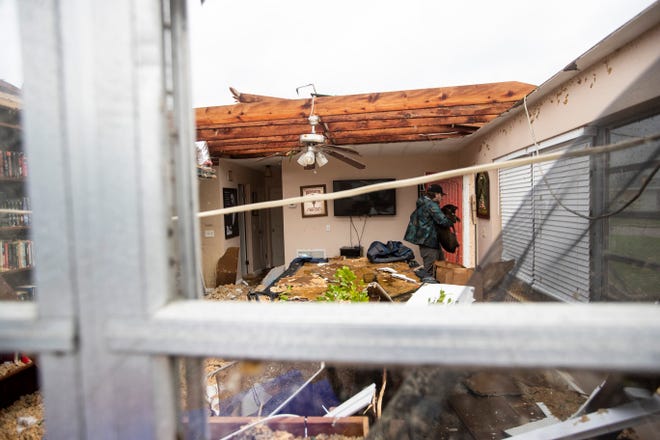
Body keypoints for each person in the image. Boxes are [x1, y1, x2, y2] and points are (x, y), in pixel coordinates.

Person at [404, 184, 455, 276]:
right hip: (429, 242)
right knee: (431, 272)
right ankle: (430, 289)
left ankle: (440, 288)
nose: (441, 198)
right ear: (436, 194)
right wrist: (451, 219)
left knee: (440, 268)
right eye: (441, 195)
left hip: (428, 242)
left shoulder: (422, 202)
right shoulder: (431, 205)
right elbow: (443, 221)